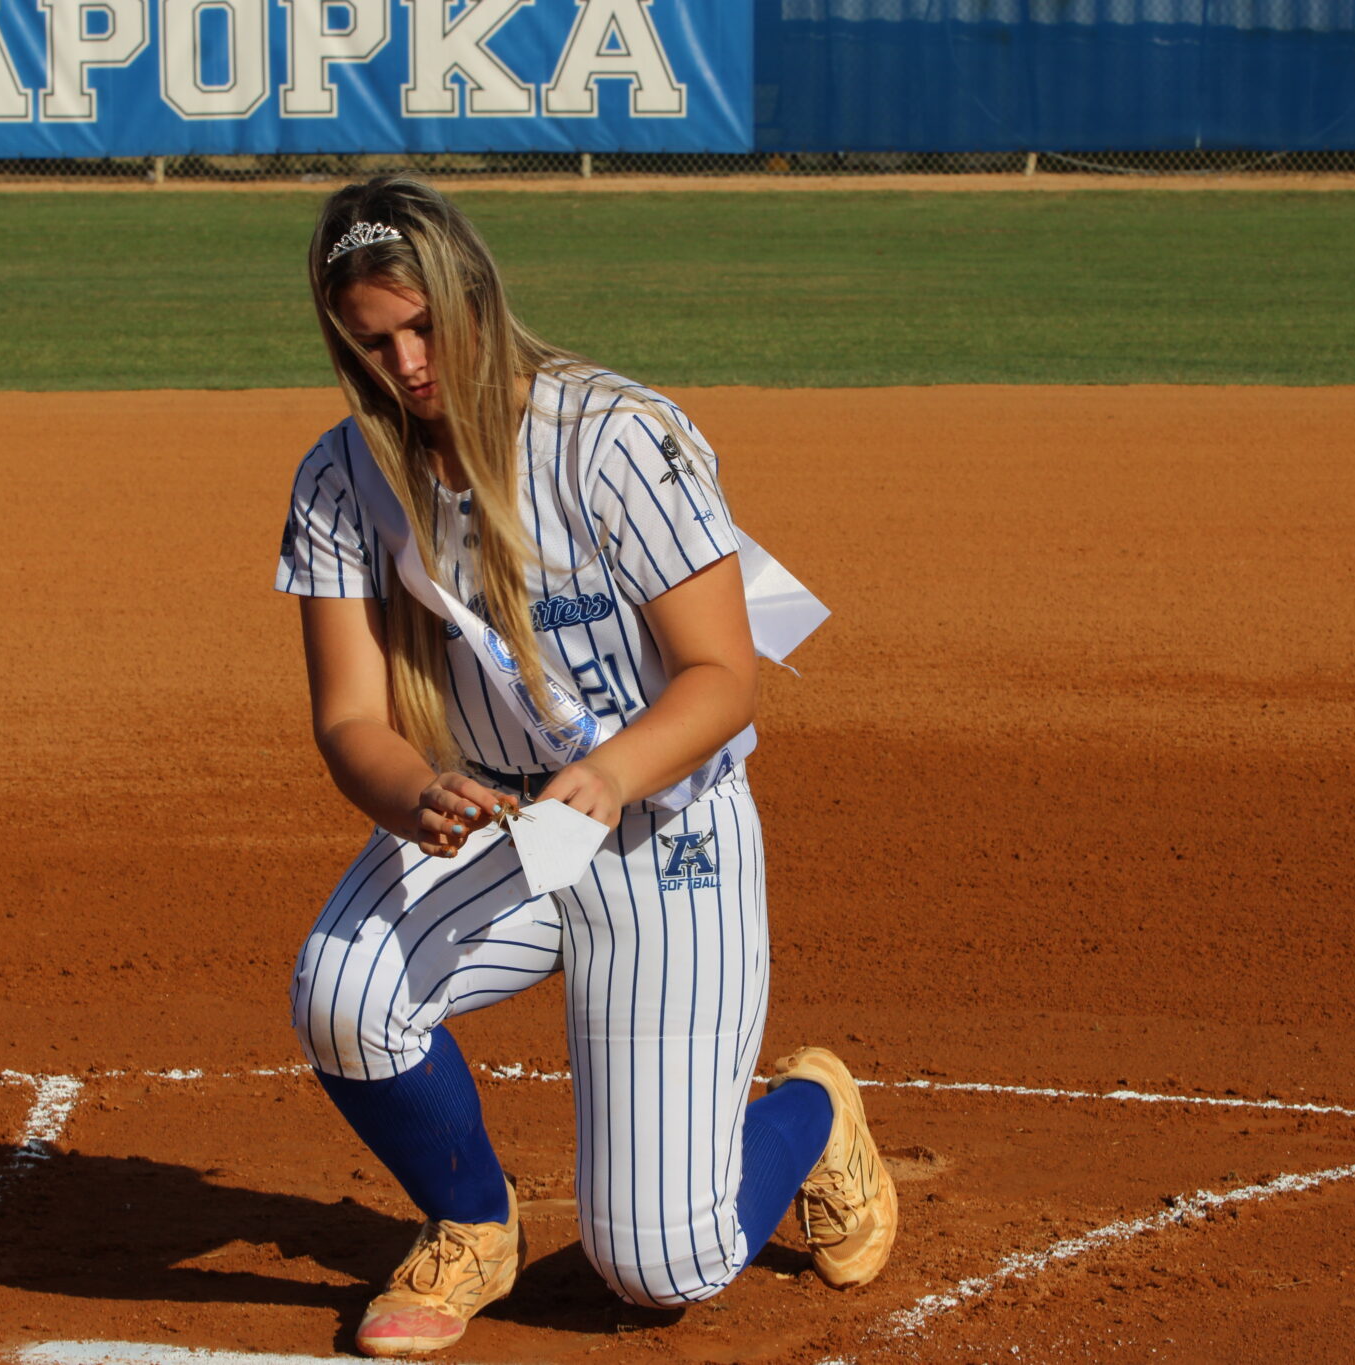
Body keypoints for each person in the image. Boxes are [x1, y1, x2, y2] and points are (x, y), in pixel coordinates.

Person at [274, 175, 897, 1359]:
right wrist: (415, 792)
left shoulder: (612, 439)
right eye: (372, 341)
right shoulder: (341, 477)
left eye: (420, 326)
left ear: (472, 297)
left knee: (662, 1266)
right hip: (501, 828)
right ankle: (469, 1225)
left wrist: (610, 777)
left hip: (662, 826)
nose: (405, 363)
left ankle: (812, 1119)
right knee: (341, 994)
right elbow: (351, 718)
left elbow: (722, 675)